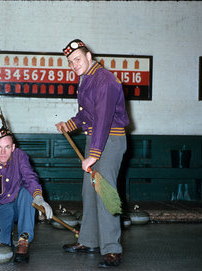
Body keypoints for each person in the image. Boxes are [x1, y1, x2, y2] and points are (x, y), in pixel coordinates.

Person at [55, 39, 129, 268]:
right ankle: (88, 240)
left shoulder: (104, 79)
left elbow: (104, 118)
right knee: (89, 192)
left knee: (105, 193)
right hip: (95, 138)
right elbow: (89, 114)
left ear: (89, 56)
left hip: (109, 139)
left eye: (77, 59)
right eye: (70, 62)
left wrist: (94, 154)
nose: (73, 64)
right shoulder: (87, 78)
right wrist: (70, 124)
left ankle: (112, 250)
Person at [0, 114, 53, 263]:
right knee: (1, 246)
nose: (3, 152)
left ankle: (24, 240)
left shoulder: (20, 156)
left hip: (19, 205)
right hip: (1, 207)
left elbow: (30, 177)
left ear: (13, 147)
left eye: (7, 147)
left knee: (28, 193)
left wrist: (39, 197)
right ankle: (4, 233)